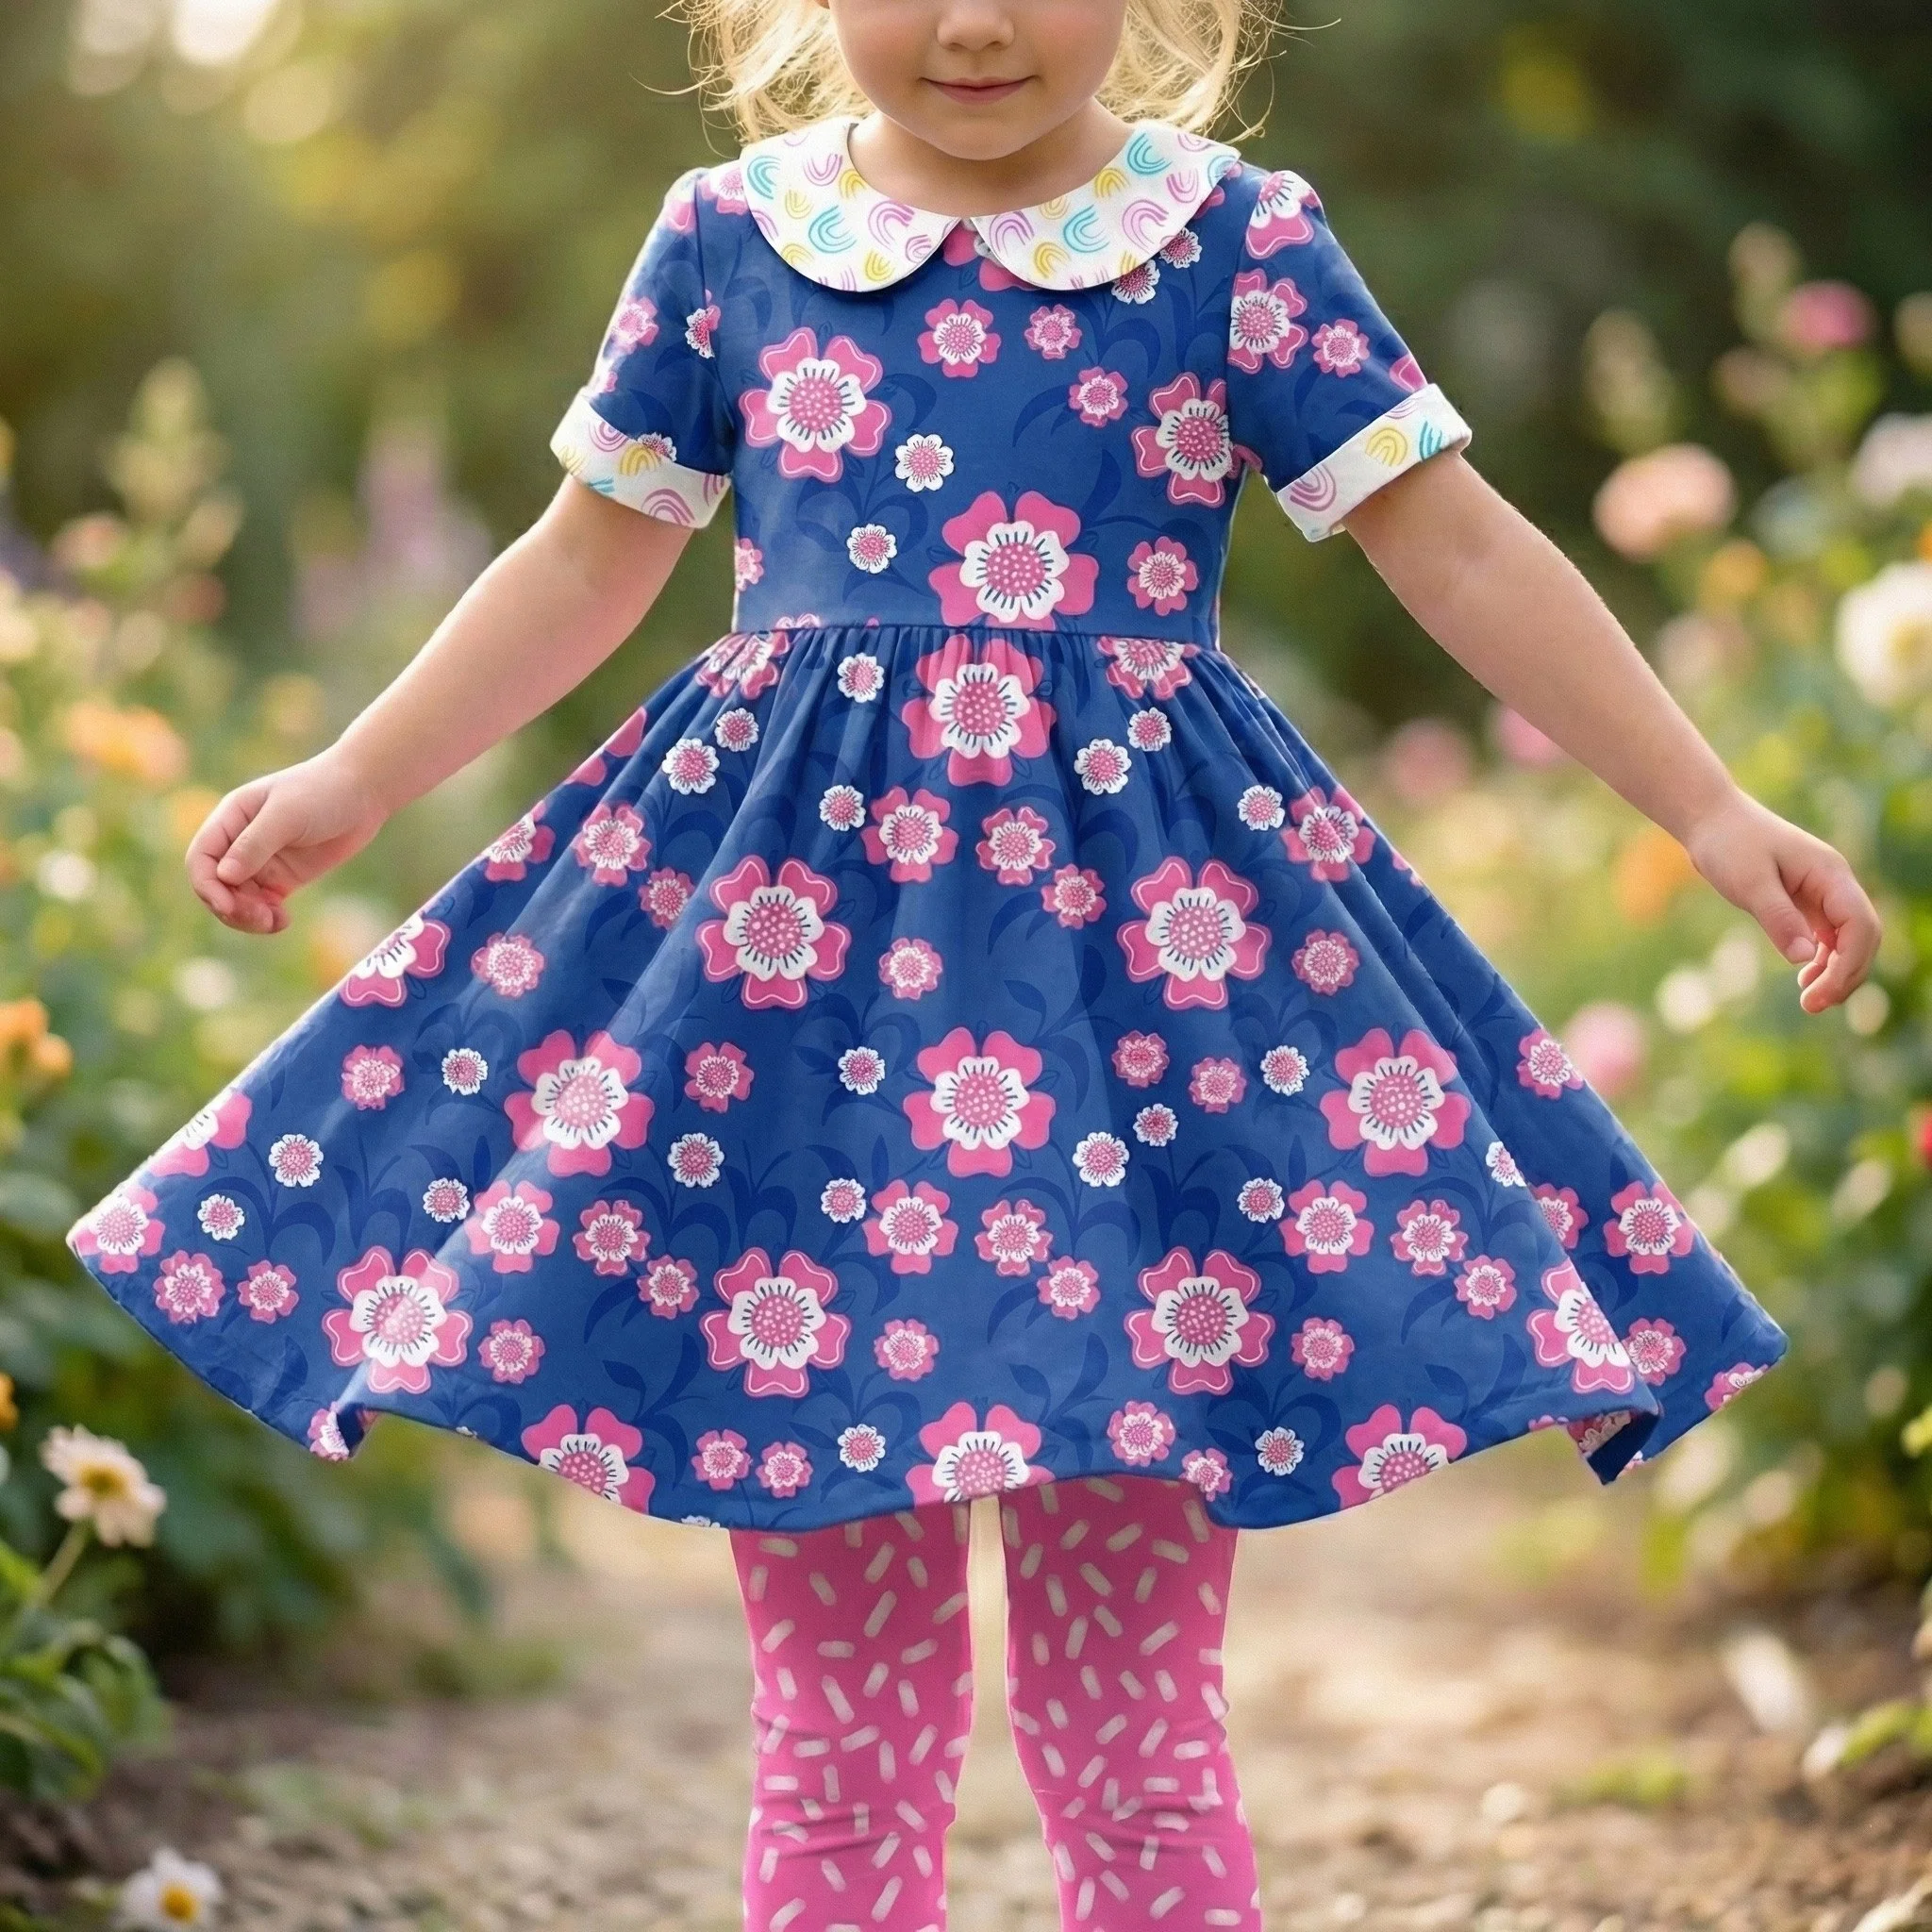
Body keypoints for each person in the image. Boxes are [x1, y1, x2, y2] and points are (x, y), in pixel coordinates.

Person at [68, 1, 1879, 1924]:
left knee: (1133, 1714)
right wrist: (360, 771)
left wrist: (1703, 804)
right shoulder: (730, 237)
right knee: (840, 1720)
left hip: (1136, 1048)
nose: (975, 20)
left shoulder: (1233, 241)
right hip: (799, 1043)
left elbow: (1457, 548)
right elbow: (588, 556)